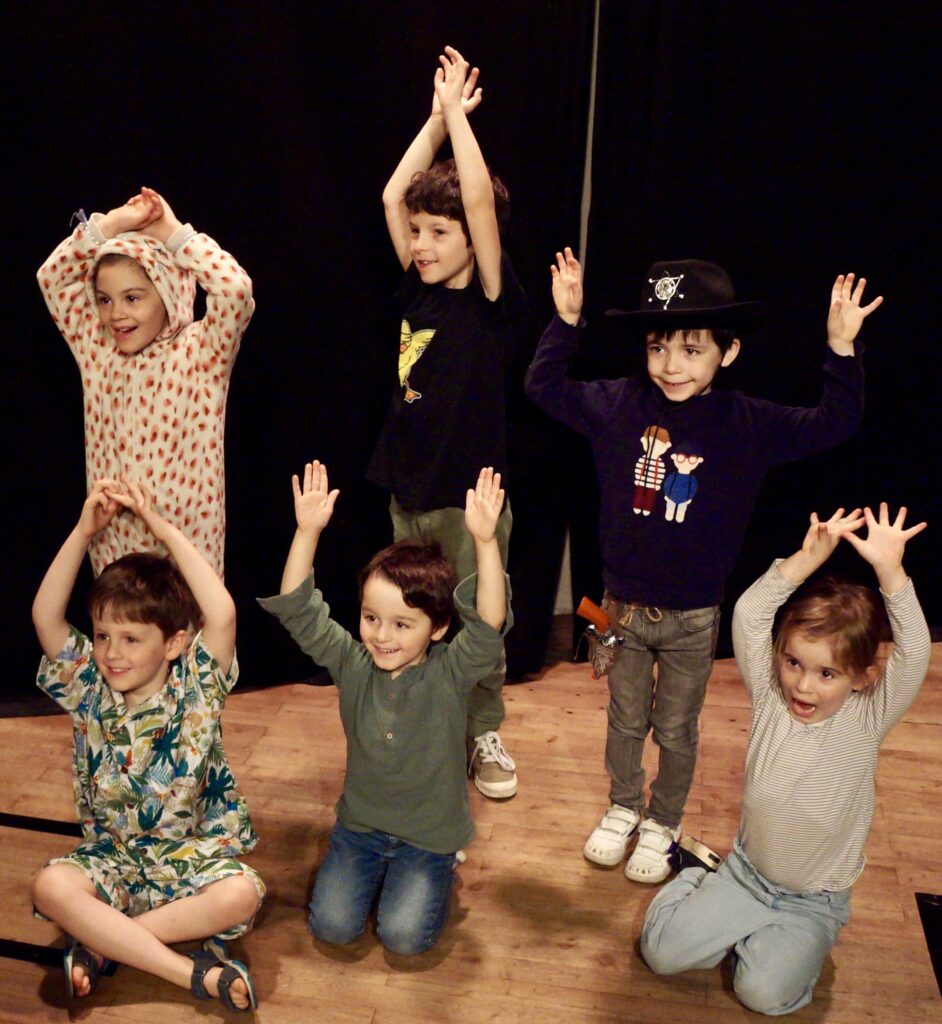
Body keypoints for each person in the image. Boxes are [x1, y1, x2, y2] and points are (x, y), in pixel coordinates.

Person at [525, 249, 882, 882]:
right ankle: (622, 808)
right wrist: (567, 322)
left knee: (677, 729)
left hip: (693, 617)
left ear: (729, 352)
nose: (671, 365)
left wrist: (841, 351)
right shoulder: (617, 403)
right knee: (625, 721)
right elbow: (543, 386)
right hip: (619, 609)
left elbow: (835, 422)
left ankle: (662, 821)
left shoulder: (744, 421)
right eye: (659, 347)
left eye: (692, 350)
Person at [641, 504, 930, 1014]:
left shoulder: (868, 716)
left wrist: (891, 572)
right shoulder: (773, 697)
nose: (802, 683)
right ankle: (696, 879)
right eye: (794, 661)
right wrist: (803, 559)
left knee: (764, 995)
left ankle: (778, 943)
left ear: (862, 676)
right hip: (746, 876)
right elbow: (751, 615)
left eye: (827, 673)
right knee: (660, 954)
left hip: (813, 902)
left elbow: (916, 653)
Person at [31, 480, 264, 1012]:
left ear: (175, 643)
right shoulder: (88, 683)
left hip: (188, 858)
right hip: (111, 860)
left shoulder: (198, 687)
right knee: (50, 886)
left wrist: (161, 529)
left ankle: (102, 943)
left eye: (132, 639)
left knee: (242, 893)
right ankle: (189, 974)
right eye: (104, 635)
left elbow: (222, 613)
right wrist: (82, 532)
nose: (112, 652)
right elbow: (46, 617)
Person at [259, 462, 510, 954]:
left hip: (428, 839)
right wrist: (307, 531)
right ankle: (379, 874)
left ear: (437, 628)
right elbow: (297, 607)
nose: (380, 634)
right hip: (360, 831)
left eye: (401, 624)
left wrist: (484, 540)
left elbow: (488, 624)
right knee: (332, 927)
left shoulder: (450, 670)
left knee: (403, 938)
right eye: (372, 617)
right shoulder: (353, 663)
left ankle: (436, 869)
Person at [367, 46, 527, 799]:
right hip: (407, 487)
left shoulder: (488, 300)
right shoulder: (416, 289)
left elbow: (478, 200)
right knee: (412, 616)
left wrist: (462, 123)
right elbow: (395, 193)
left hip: (471, 503)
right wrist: (434, 119)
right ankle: (419, 722)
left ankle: (481, 731)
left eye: (441, 232)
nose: (423, 244)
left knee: (475, 618)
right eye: (420, 233)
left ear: (472, 237)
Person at [37, 186, 254, 577]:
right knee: (120, 637)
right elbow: (52, 277)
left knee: (189, 639)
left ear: (168, 294)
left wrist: (172, 233)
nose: (116, 314)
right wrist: (113, 224)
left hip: (185, 562)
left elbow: (235, 289)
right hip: (114, 557)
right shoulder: (98, 353)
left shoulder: (200, 353)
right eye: (104, 300)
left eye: (133, 298)